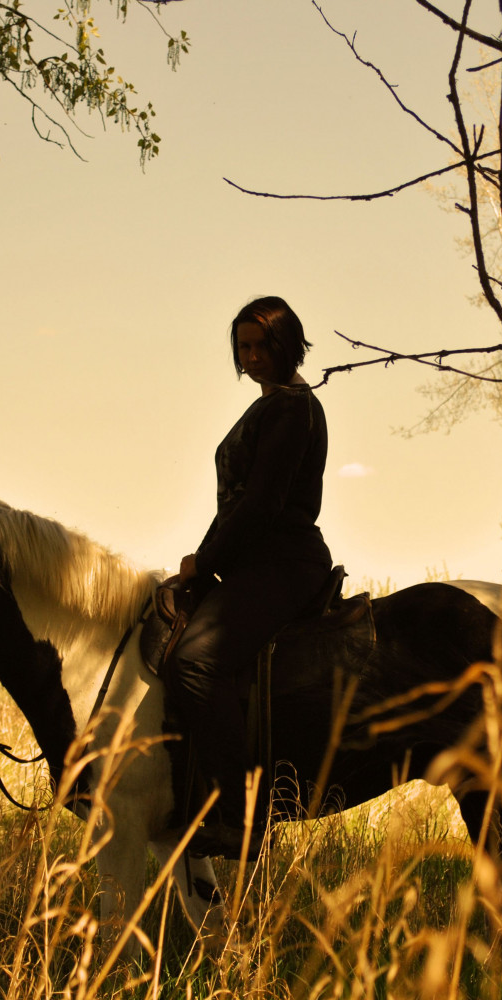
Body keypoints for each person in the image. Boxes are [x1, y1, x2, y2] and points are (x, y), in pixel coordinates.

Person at [168, 295, 333, 853]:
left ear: (288, 345)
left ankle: (241, 818)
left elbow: (260, 505)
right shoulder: (274, 405)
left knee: (193, 660)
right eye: (244, 346)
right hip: (260, 561)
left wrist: (204, 561)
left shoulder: (290, 407)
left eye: (263, 344)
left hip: (283, 562)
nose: (253, 355)